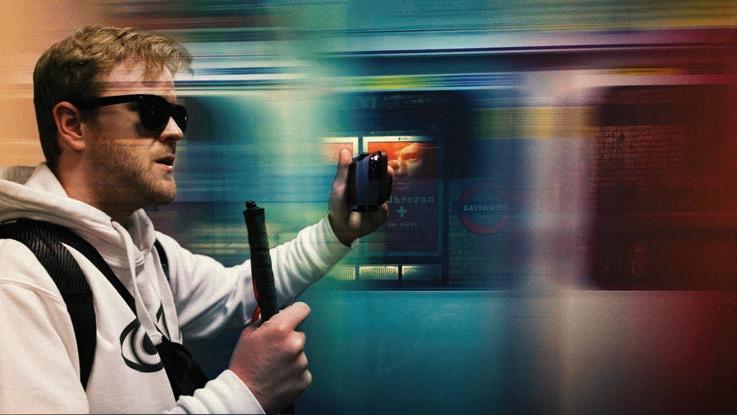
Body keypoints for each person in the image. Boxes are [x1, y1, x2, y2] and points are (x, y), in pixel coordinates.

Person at [0, 25, 389, 413]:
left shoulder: (144, 248)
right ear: (73, 125)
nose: (175, 132)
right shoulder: (18, 280)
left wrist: (335, 231)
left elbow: (237, 291)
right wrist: (246, 391)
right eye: (151, 112)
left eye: (177, 115)